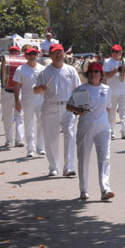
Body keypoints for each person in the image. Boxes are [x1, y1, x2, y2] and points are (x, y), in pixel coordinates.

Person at [66, 62, 114, 201]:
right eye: (91, 71)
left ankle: (105, 188)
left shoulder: (107, 89)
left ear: (101, 75)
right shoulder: (82, 89)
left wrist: (103, 120)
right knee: (84, 159)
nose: (93, 74)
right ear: (88, 74)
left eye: (96, 71)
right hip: (86, 128)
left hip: (103, 129)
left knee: (104, 158)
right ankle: (84, 190)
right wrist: (78, 110)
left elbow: (108, 108)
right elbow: (69, 106)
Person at [34, 43, 81, 177]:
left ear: (64, 54)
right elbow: (35, 90)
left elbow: (77, 89)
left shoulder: (71, 70)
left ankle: (69, 167)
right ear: (50, 55)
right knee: (51, 138)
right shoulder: (45, 72)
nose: (58, 54)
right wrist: (40, 88)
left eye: (60, 52)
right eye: (55, 52)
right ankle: (53, 166)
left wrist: (80, 107)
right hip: (50, 106)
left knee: (70, 136)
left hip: (68, 107)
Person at [13, 47, 46, 157]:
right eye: (30, 54)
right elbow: (16, 87)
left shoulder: (42, 69)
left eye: (34, 54)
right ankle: (30, 148)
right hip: (27, 101)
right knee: (29, 125)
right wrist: (17, 102)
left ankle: (40, 147)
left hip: (41, 100)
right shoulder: (20, 69)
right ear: (25, 56)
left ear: (37, 55)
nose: (32, 56)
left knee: (41, 123)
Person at [0, 46, 25, 147]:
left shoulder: (23, 64)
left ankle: (19, 140)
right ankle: (9, 139)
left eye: (15, 51)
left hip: (19, 93)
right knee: (7, 118)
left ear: (19, 52)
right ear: (9, 53)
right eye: (12, 51)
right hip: (6, 92)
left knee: (19, 117)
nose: (14, 53)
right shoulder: (2, 63)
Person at [103, 44, 125, 140]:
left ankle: (124, 131)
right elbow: (106, 75)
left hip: (123, 90)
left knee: (124, 111)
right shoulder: (108, 62)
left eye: (116, 52)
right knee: (111, 112)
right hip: (111, 91)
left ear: (121, 52)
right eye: (113, 51)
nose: (114, 53)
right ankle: (112, 131)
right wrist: (115, 71)